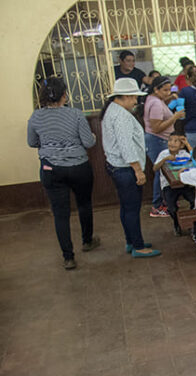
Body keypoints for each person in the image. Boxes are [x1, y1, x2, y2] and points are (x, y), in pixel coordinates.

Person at [27, 76, 99, 269]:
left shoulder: (36, 116)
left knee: (60, 214)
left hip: (51, 169)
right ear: (64, 95)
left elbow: (32, 142)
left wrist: (50, 144)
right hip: (79, 167)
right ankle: (87, 241)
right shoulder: (75, 114)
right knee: (84, 204)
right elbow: (88, 142)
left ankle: (68, 257)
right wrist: (91, 136)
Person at [101, 78, 161, 258]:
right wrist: (138, 170)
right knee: (132, 209)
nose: (136, 101)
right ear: (125, 96)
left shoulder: (112, 110)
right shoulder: (121, 116)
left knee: (126, 207)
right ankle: (138, 247)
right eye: (134, 97)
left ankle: (131, 241)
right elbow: (126, 146)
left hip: (116, 166)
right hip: (126, 169)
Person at [144, 76, 186, 218]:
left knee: (162, 171)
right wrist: (175, 117)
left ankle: (166, 201)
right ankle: (157, 205)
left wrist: (169, 99)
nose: (168, 93)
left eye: (169, 90)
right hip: (158, 140)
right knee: (160, 171)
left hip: (158, 140)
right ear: (156, 89)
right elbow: (156, 128)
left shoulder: (154, 99)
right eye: (165, 90)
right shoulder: (156, 103)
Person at [153, 132, 195, 237]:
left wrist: (187, 144)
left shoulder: (184, 153)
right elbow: (155, 168)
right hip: (168, 185)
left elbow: (195, 160)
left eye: (176, 141)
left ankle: (193, 223)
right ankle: (177, 224)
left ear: (181, 145)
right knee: (171, 208)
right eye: (170, 140)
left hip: (184, 184)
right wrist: (165, 159)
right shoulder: (163, 153)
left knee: (194, 201)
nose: (172, 143)